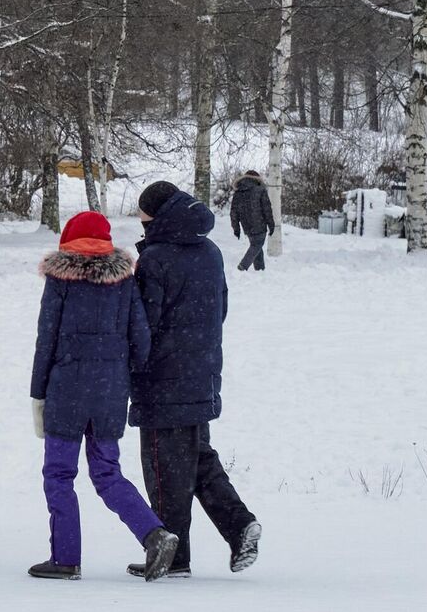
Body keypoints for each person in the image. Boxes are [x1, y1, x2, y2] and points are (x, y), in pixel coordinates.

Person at [27, 211, 180, 582]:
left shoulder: (60, 279)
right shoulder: (124, 281)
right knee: (107, 473)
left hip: (66, 389)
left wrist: (37, 395)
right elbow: (140, 340)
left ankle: (65, 558)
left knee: (59, 474)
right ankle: (154, 534)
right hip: (110, 390)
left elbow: (45, 340)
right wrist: (120, 374)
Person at [127, 180, 262, 579]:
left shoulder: (155, 259)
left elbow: (143, 326)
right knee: (197, 459)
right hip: (200, 373)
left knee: (163, 468)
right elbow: (219, 309)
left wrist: (133, 364)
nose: (139, 219)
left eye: (142, 212)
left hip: (162, 380)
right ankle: (239, 526)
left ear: (156, 214)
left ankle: (174, 557)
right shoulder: (210, 251)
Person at [229, 170, 276, 271]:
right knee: (256, 245)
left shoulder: (238, 192)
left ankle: (260, 270)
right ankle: (243, 266)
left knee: (256, 246)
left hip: (246, 225)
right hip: (259, 223)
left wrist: (236, 228)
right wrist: (271, 224)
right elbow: (267, 209)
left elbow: (234, 212)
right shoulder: (260, 190)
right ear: (257, 178)